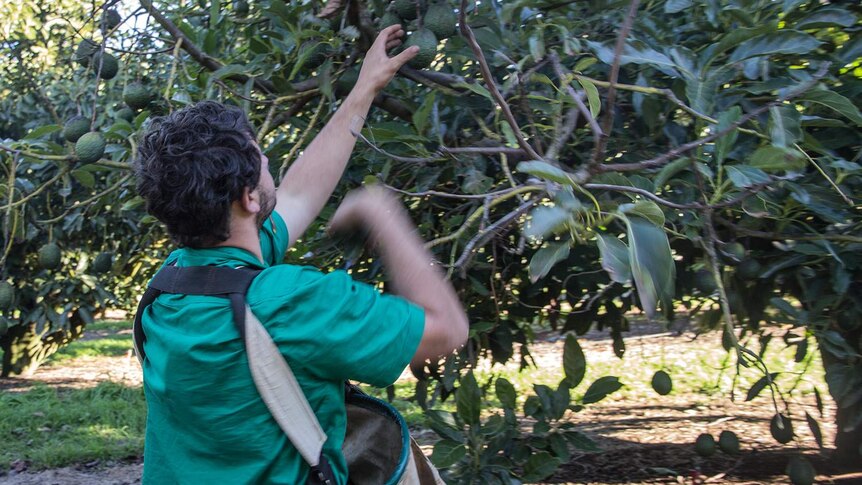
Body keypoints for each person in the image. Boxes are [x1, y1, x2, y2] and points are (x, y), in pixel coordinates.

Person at [132, 25, 469, 484]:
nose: (272, 166)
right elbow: (447, 330)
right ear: (249, 198)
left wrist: (364, 88)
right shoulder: (290, 303)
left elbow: (297, 198)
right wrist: (382, 213)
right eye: (263, 160)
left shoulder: (170, 286)